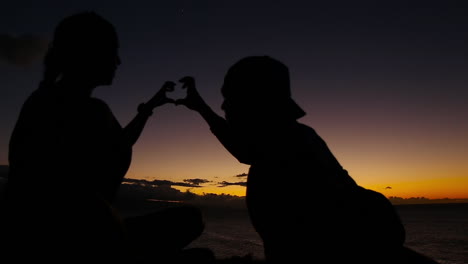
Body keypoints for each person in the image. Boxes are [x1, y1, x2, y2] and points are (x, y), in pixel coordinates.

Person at [175, 56, 439, 263]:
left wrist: (201, 108)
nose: (225, 107)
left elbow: (243, 149)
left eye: (232, 100)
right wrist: (200, 107)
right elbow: (243, 148)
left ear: (257, 103)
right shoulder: (285, 139)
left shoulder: (289, 144)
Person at [4, 11, 208, 264]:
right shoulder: (83, 109)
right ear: (90, 52)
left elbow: (117, 144)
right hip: (75, 239)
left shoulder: (48, 100)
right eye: (114, 51)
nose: (119, 61)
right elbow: (69, 195)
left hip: (65, 232)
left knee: (190, 221)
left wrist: (150, 107)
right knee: (192, 233)